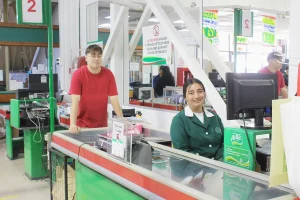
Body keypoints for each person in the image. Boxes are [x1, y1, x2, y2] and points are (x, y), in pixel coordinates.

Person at [69, 45, 123, 133]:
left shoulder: (108, 74)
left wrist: (122, 121)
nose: (96, 59)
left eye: (99, 56)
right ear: (86, 58)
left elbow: (114, 99)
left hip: (102, 125)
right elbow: (75, 101)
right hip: (83, 125)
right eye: (93, 56)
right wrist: (72, 124)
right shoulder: (78, 74)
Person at [170, 78, 224, 160]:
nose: (197, 96)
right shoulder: (179, 121)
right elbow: (182, 152)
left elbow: (224, 144)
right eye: (191, 93)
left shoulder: (215, 118)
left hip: (218, 168)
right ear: (185, 97)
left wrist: (219, 162)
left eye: (200, 91)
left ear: (205, 94)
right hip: (193, 169)